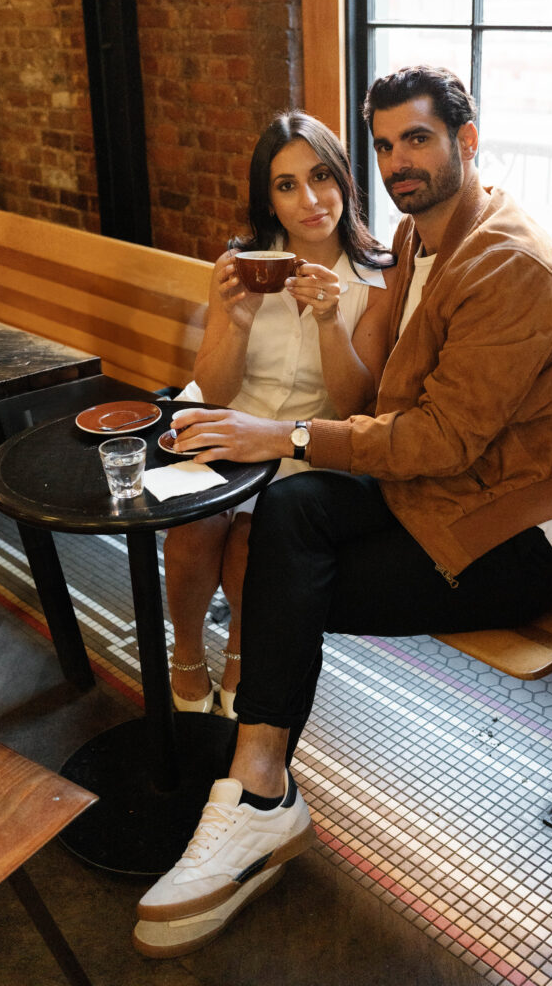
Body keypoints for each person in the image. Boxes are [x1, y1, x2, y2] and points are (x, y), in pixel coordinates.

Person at [133, 65, 552, 956]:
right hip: (437, 493)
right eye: (385, 144)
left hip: (510, 534)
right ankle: (261, 783)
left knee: (280, 566)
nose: (398, 162)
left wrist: (285, 436)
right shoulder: (420, 236)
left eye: (417, 139)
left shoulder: (510, 262)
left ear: (466, 142)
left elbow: (437, 439)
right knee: (290, 519)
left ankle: (256, 789)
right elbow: (385, 399)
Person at [164, 111, 395, 719]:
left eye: (322, 177)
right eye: (286, 185)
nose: (310, 200)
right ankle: (185, 652)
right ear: (267, 199)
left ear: (345, 180)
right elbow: (212, 388)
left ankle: (244, 653)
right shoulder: (242, 265)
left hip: (300, 445)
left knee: (250, 539)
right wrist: (236, 322)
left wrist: (327, 322)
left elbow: (355, 405)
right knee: (194, 529)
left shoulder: (379, 279)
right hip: (224, 421)